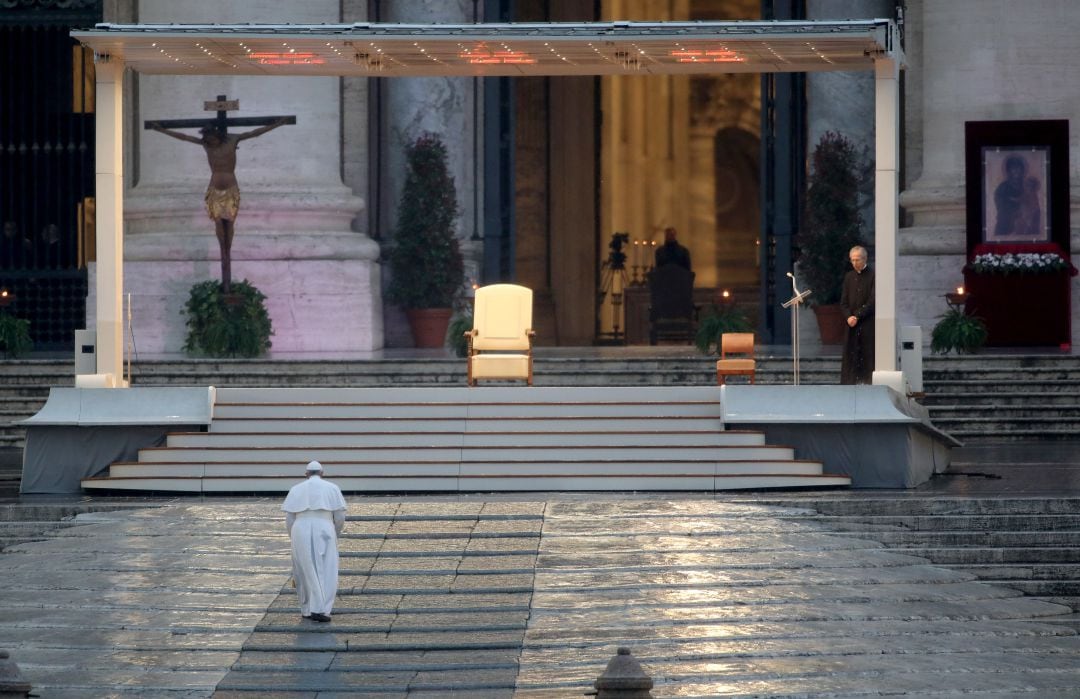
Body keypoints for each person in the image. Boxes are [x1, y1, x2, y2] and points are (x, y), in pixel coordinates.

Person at [149, 118, 289, 289]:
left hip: (230, 188)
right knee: (217, 223)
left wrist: (278, 124)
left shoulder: (232, 140)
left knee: (229, 222)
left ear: (218, 135)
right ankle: (222, 249)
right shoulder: (206, 145)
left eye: (212, 140)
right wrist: (161, 130)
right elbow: (183, 137)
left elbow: (254, 133)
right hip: (214, 188)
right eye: (207, 141)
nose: (210, 143)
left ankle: (227, 251)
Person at [282, 460, 347, 623]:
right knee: (327, 568)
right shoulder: (332, 488)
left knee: (304, 569)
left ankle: (307, 608)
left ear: (306, 474)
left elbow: (289, 518)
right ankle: (322, 608)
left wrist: (293, 538)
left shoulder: (296, 489)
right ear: (322, 473)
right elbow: (339, 517)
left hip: (300, 527)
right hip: (325, 526)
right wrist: (335, 533)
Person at [840, 245, 874, 385]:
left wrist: (858, 316)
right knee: (851, 356)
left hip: (866, 323)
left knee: (867, 355)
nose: (854, 263)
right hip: (851, 324)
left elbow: (872, 301)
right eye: (852, 260)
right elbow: (843, 302)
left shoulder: (873, 275)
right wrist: (848, 316)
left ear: (865, 259)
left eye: (857, 260)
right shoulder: (849, 277)